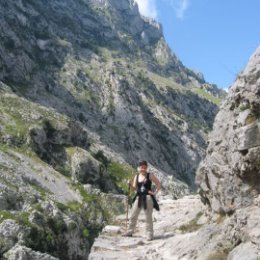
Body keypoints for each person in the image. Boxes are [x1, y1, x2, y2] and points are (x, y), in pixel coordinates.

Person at [123, 160, 161, 241]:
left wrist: (155, 192)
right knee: (133, 215)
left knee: (148, 217)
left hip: (148, 197)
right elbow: (135, 188)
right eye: (141, 167)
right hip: (139, 197)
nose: (143, 169)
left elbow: (158, 183)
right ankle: (130, 231)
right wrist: (129, 184)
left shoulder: (150, 175)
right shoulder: (136, 176)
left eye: (144, 167)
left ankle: (149, 234)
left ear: (146, 168)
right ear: (139, 168)